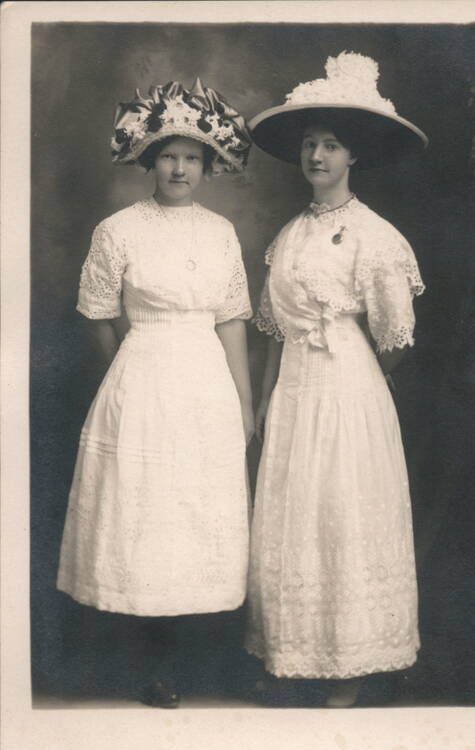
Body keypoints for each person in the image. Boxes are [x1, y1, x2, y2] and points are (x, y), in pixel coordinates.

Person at [57, 77, 254, 707]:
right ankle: (153, 666)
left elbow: (231, 320)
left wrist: (244, 403)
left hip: (208, 385)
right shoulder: (118, 229)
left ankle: (203, 661)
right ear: (149, 160)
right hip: (142, 377)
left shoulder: (221, 232)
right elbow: (98, 316)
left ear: (208, 164)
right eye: (168, 155)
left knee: (199, 513)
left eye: (192, 157)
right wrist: (132, 366)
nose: (179, 168)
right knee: (148, 515)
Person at [244, 52, 428, 707]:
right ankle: (292, 656)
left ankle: (351, 664)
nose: (316, 156)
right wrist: (265, 401)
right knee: (294, 517)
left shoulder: (375, 237)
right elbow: (273, 329)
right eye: (309, 145)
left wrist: (356, 384)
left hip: (348, 391)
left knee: (342, 514)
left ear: (353, 156)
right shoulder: (289, 235)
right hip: (294, 391)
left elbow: (394, 338)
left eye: (329, 145)